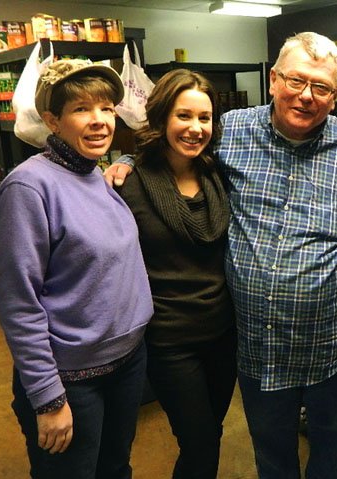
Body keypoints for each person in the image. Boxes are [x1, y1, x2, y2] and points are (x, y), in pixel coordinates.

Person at [105, 32, 337, 478]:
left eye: (321, 87)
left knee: (330, 447)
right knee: (271, 454)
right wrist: (129, 163)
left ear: (336, 96)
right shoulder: (231, 132)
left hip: (332, 345)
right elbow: (174, 153)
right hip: (258, 344)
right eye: (296, 81)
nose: (306, 96)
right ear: (273, 79)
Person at [0, 59, 153, 479]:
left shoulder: (94, 173)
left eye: (107, 108)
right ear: (52, 120)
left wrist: (131, 164)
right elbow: (18, 304)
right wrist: (47, 398)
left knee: (116, 469)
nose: (100, 121)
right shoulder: (29, 187)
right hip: (71, 379)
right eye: (82, 109)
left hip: (127, 363)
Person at [116, 69, 236, 479]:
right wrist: (125, 159)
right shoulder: (129, 182)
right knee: (199, 440)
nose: (195, 128)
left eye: (204, 118)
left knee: (211, 434)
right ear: (163, 117)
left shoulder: (217, 173)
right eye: (184, 116)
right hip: (169, 341)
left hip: (223, 334)